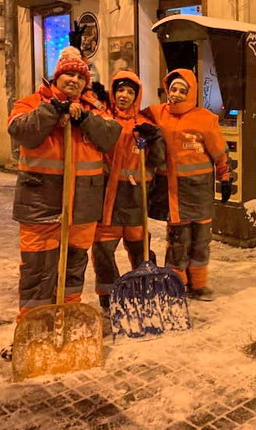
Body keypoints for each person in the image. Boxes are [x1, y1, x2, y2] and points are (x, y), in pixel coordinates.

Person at [3, 49, 122, 359]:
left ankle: (65, 325)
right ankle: (30, 333)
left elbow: (111, 136)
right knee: (38, 272)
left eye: (81, 76)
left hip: (82, 205)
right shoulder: (32, 103)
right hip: (41, 205)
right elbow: (22, 131)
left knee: (73, 270)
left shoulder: (92, 108)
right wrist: (53, 112)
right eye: (69, 74)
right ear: (57, 76)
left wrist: (85, 120)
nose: (75, 79)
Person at [143, 69, 231, 301]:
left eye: (183, 90)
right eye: (174, 89)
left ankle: (199, 284)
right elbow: (131, 116)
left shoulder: (205, 119)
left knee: (201, 238)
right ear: (167, 91)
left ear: (191, 92)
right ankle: (177, 284)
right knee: (179, 239)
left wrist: (225, 178)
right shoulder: (157, 114)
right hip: (172, 191)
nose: (178, 94)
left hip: (199, 190)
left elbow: (220, 153)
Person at [91, 71, 166, 314]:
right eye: (120, 90)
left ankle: (148, 288)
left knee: (140, 248)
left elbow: (159, 160)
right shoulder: (102, 119)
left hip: (135, 200)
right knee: (103, 250)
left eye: (130, 91)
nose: (124, 95)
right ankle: (108, 295)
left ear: (137, 95)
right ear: (113, 92)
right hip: (108, 200)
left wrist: (155, 139)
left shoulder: (144, 125)